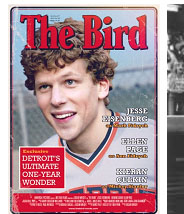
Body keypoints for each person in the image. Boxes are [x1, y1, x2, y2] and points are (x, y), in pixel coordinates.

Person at [20, 18, 155, 193]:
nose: (56, 99)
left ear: (101, 86)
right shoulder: (41, 160)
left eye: (70, 82)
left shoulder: (153, 141)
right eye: (44, 86)